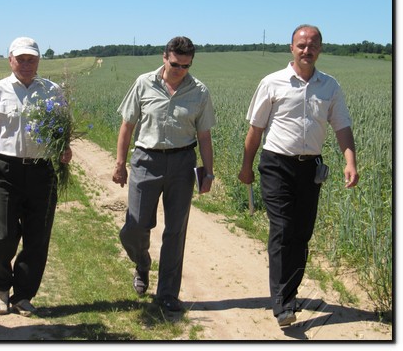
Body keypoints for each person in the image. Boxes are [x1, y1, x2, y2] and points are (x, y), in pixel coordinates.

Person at [237, 24, 359, 327]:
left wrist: (350, 161)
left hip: (310, 168)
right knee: (282, 228)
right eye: (301, 45)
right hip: (276, 165)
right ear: (291, 48)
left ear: (320, 48)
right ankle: (283, 303)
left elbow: (342, 126)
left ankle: (288, 293)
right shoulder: (272, 83)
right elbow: (256, 129)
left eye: (313, 45)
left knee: (302, 233)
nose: (307, 50)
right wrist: (246, 166)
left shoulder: (330, 86)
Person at [112, 36, 216, 312]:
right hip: (146, 161)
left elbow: (204, 136)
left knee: (175, 232)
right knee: (134, 227)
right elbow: (127, 126)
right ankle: (142, 264)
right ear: (164, 57)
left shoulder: (200, 92)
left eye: (185, 66)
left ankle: (167, 293)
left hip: (183, 163)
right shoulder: (144, 83)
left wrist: (209, 173)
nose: (180, 70)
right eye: (175, 64)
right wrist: (120, 163)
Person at [0, 36, 72, 317]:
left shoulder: (52, 91)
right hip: (6, 169)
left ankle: (23, 294)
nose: (27, 64)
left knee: (37, 236)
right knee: (4, 234)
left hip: (42, 170)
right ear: (10, 60)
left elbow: (61, 130)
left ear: (38, 61)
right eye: (21, 59)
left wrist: (64, 149)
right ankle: (1, 287)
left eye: (31, 59)